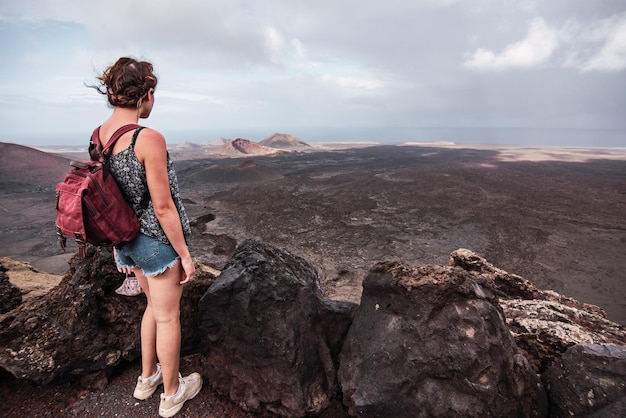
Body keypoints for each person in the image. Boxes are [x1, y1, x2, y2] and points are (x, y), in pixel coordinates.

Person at [91, 57, 202, 418]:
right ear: (146, 94)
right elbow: (164, 207)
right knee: (169, 317)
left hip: (125, 241)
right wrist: (184, 254)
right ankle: (172, 394)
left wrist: (115, 247)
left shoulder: (99, 135)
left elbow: (105, 196)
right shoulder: (147, 138)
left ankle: (146, 378)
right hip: (154, 242)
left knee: (153, 308)